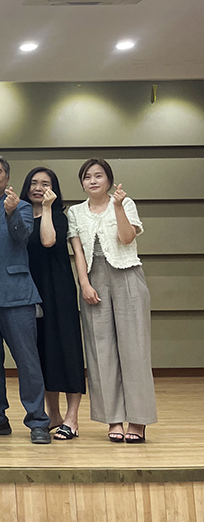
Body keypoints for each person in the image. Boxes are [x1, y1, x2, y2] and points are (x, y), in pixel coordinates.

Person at [67, 158, 156, 443]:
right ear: (82, 183)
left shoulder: (125, 203)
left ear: (108, 179)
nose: (93, 181)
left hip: (127, 273)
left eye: (98, 176)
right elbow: (78, 252)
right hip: (94, 279)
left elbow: (127, 238)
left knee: (135, 348)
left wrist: (117, 207)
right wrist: (84, 284)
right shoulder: (75, 212)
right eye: (87, 177)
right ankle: (113, 419)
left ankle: (138, 421)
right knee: (100, 350)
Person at [0, 154, 52, 444]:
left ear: (6, 178)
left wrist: (10, 214)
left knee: (27, 361)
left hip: (17, 295)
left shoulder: (22, 206)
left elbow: (22, 237)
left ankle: (38, 421)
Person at [19, 167, 86, 441]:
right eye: (34, 183)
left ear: (54, 189)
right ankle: (53, 415)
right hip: (31, 291)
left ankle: (72, 418)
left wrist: (46, 208)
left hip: (58, 290)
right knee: (42, 352)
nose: (38, 187)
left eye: (45, 184)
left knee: (67, 350)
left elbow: (48, 240)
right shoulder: (20, 215)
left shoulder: (59, 215)